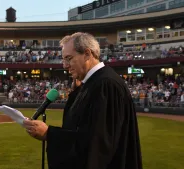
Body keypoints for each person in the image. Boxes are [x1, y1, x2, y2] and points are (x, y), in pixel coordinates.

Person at [23, 32, 143, 169]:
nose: (65, 65)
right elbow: (78, 126)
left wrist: (49, 134)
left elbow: (97, 145)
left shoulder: (106, 84)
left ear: (87, 54)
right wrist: (76, 93)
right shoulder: (93, 83)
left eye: (69, 58)